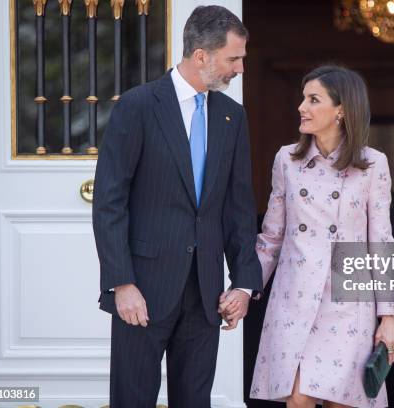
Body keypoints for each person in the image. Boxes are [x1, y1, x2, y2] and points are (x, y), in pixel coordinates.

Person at [92, 6, 262, 407]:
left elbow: (239, 208)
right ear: (201, 55)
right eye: (233, 59)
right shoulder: (138, 106)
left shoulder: (232, 117)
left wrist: (242, 283)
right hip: (142, 291)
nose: (240, 69)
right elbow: (109, 202)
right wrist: (122, 283)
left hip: (205, 295)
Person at [223, 65, 394, 408]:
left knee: (342, 402)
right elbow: (271, 238)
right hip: (294, 300)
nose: (301, 107)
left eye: (313, 99)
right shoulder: (287, 160)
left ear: (342, 110)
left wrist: (389, 317)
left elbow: (381, 243)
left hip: (348, 303)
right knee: (299, 396)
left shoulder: (372, 164)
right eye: (303, 98)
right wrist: (245, 289)